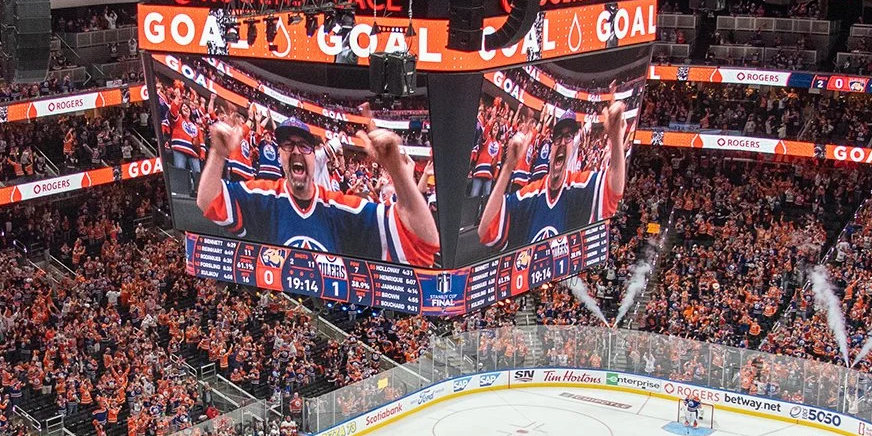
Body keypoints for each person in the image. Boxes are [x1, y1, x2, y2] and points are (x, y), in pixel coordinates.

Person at [194, 117, 439, 265]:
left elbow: (425, 240)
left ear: (315, 156)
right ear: (279, 155)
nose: (296, 151)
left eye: (304, 146)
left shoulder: (340, 207)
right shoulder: (263, 196)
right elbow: (207, 201)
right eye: (288, 145)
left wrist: (396, 169)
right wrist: (218, 154)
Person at [476, 101, 628, 250]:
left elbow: (614, 189)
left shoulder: (580, 184)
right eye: (558, 137)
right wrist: (508, 167)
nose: (562, 142)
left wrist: (616, 139)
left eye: (568, 137)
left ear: (572, 147)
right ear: (550, 150)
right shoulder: (531, 194)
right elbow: (485, 231)